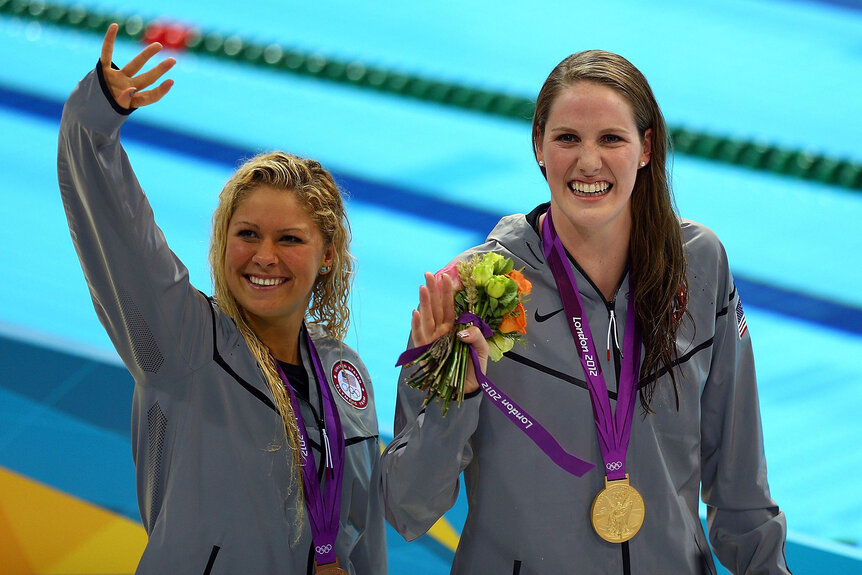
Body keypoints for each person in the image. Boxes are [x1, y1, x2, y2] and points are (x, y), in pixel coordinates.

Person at [381, 50, 789, 574]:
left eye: (611, 139)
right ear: (539, 148)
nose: (588, 162)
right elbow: (407, 506)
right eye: (567, 138)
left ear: (646, 148)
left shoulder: (699, 266)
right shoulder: (472, 290)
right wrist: (455, 399)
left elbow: (741, 491)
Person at [58, 24, 386, 575]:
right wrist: (94, 123)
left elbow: (364, 529)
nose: (264, 256)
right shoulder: (183, 341)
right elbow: (120, 236)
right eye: (248, 234)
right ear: (222, 240)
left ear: (327, 255)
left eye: (289, 240)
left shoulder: (344, 373)